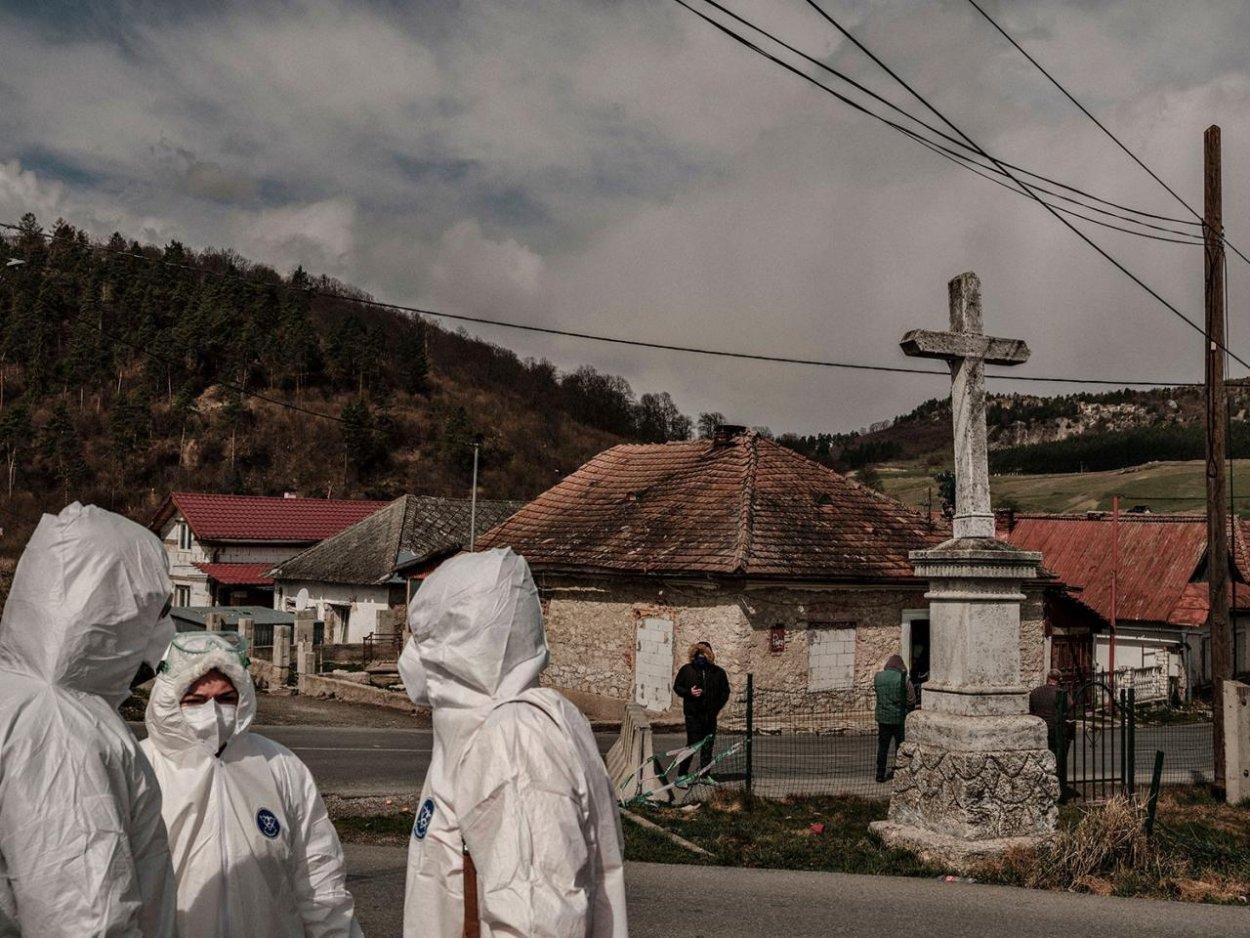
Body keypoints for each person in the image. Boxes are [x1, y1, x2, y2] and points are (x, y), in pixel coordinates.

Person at [400, 547, 627, 938]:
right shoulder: (481, 730)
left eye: (422, 636)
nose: (410, 653)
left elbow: (538, 919)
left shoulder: (514, 740)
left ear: (457, 643)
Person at [0, 502, 177, 935]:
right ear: (113, 609)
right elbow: (85, 917)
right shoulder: (59, 728)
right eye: (156, 611)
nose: (165, 631)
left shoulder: (13, 693)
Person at [140, 630, 362, 938]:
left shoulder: (279, 766)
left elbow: (319, 878)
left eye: (226, 698)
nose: (214, 711)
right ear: (170, 700)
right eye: (196, 701)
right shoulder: (141, 769)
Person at [672, 641, 731, 778]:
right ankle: (682, 774)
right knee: (692, 745)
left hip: (710, 716)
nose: (702, 658)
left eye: (705, 654)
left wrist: (716, 707)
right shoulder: (687, 670)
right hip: (693, 715)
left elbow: (725, 692)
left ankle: (704, 775)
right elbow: (677, 687)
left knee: (708, 746)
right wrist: (689, 692)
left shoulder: (718, 672)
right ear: (695, 654)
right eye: (699, 655)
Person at [874, 654, 909, 783]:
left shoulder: (878, 677)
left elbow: (878, 693)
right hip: (899, 719)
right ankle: (899, 771)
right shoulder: (903, 678)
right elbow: (911, 699)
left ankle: (880, 773)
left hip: (883, 719)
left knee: (883, 747)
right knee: (899, 747)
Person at [1029, 668, 1071, 767]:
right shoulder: (1060, 693)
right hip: (1055, 729)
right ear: (1059, 680)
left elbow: (1032, 712)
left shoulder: (1035, 692)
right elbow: (1070, 707)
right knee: (1057, 758)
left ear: (1047, 678)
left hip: (1040, 729)